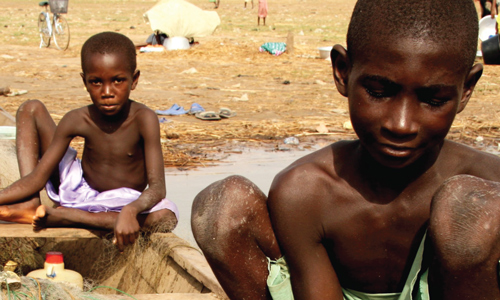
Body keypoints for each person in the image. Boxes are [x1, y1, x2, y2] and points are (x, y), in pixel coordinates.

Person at [191, 0, 500, 299]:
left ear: (467, 89)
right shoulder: (306, 193)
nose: (402, 125)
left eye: (433, 100)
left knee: (472, 208)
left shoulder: (490, 182)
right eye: (379, 92)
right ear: (342, 71)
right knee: (222, 209)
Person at [0, 32, 179, 251]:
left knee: (166, 217)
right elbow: (37, 178)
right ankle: (30, 204)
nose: (107, 92)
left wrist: (130, 211)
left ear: (135, 80)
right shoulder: (77, 119)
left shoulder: (144, 118)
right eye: (96, 82)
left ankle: (67, 217)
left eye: (118, 81)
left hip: (124, 202)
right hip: (80, 191)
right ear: (84, 81)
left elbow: (158, 188)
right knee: (30, 107)